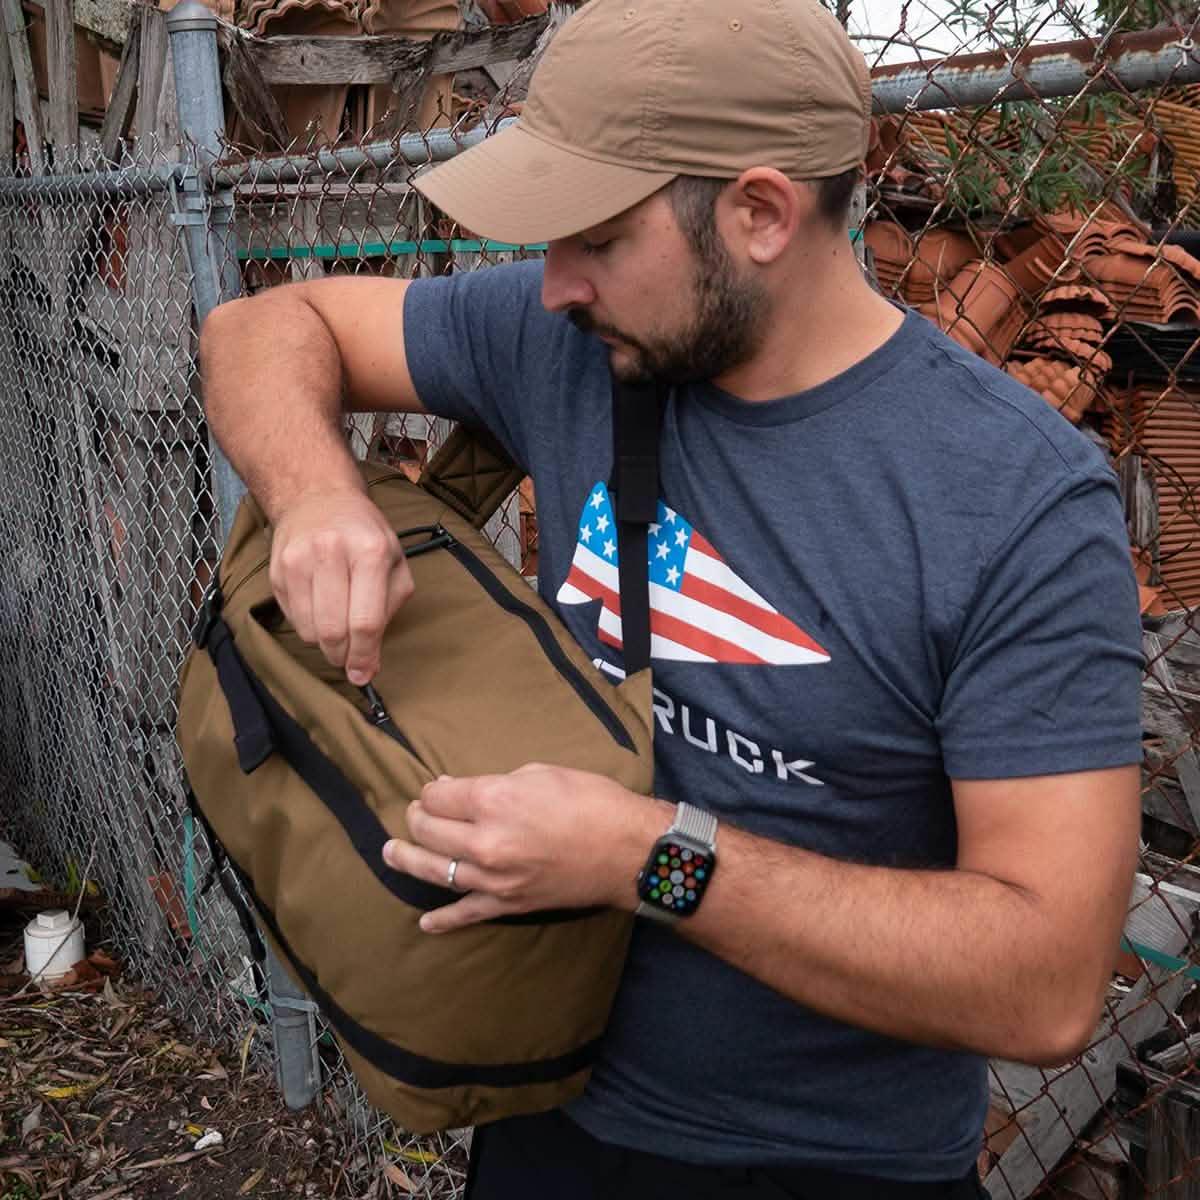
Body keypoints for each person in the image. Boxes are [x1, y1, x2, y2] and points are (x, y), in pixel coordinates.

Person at [198, 0, 1144, 1195]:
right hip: (550, 1104)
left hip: (833, 1164)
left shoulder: (1013, 504)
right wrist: (316, 494)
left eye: (591, 235)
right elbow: (261, 326)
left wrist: (650, 858)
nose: (549, 287)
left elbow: (1048, 980)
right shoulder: (582, 339)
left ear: (758, 213)